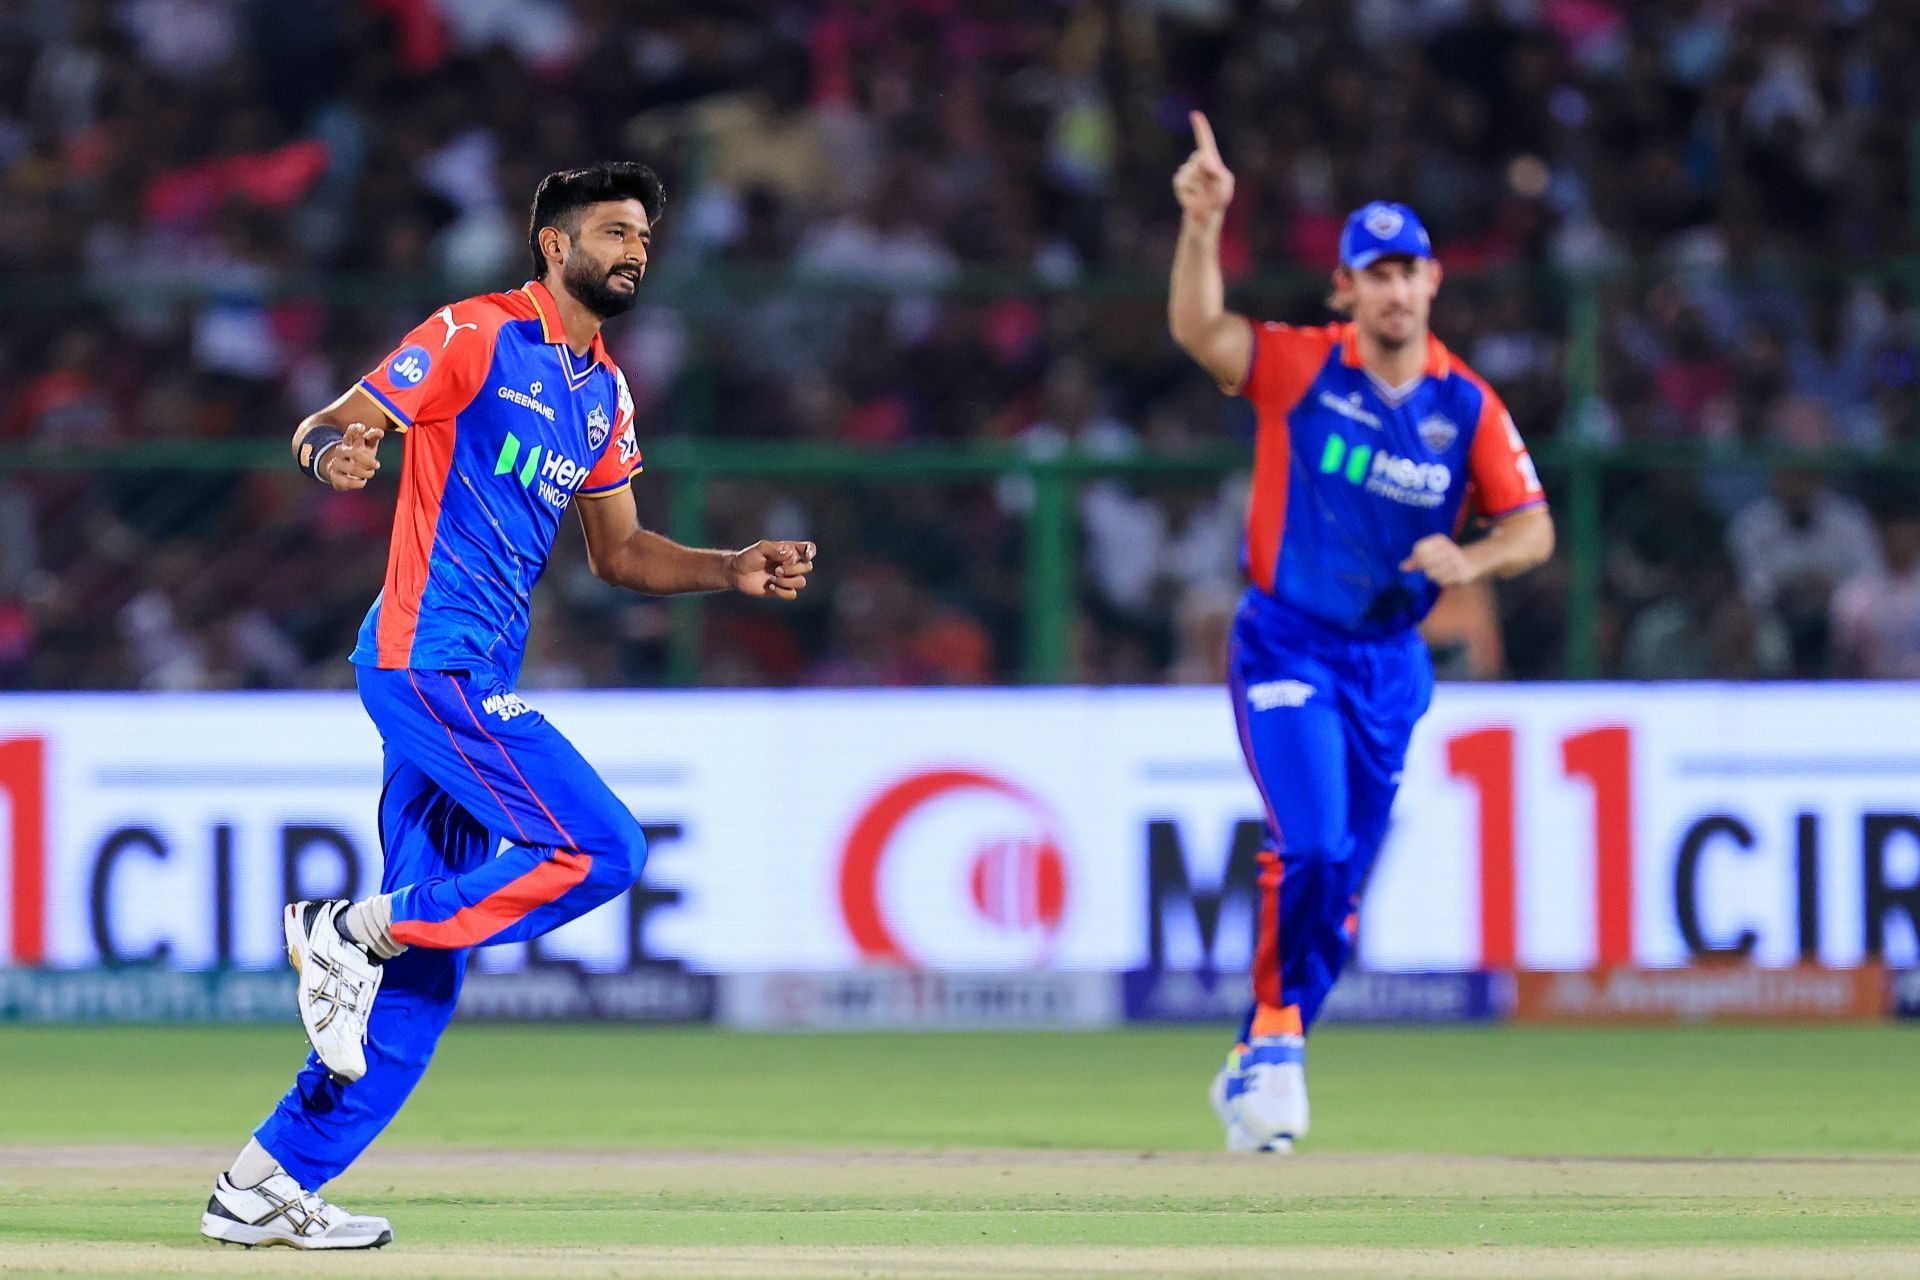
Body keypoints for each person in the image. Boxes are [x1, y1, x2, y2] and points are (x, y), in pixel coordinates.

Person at [200, 162, 817, 1248]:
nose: (633, 250)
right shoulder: (476, 334)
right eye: (614, 232)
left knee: (424, 979)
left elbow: (620, 552)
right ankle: (349, 926)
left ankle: (260, 1182)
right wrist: (335, 449)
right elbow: (336, 419)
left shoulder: (605, 394)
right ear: (554, 244)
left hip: (462, 681)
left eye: (643, 238)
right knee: (602, 847)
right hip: (428, 667)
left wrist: (730, 567)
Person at [1167, 115, 1553, 1153]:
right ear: (1345, 289)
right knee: (1314, 837)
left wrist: (1471, 562)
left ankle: (1257, 1044)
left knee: (1340, 889)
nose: (1391, 290)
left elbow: (1534, 524)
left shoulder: (1465, 407)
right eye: (1370, 274)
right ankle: (1283, 1043)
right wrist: (1203, 225)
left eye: (1406, 271)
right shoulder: (1299, 368)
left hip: (1390, 666)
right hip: (1286, 642)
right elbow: (1203, 333)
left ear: (1432, 282)